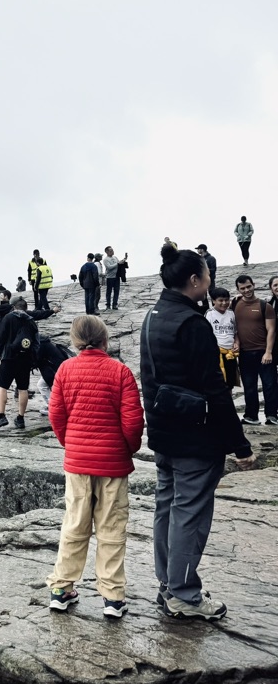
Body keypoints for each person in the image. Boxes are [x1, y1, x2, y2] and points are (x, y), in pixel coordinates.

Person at [140, 245, 255, 620]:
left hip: (163, 434)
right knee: (189, 513)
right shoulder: (193, 324)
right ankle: (184, 594)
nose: (209, 280)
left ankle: (167, 582)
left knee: (167, 507)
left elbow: (151, 380)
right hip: (195, 436)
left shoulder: (151, 316)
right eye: (206, 274)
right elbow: (214, 390)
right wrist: (239, 445)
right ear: (194, 280)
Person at [47, 315, 144, 617]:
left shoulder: (65, 369)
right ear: (105, 340)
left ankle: (61, 590)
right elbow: (133, 422)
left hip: (77, 464)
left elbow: (56, 416)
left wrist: (71, 444)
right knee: (111, 528)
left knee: (74, 523)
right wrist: (128, 449)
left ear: (75, 342)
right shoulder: (120, 372)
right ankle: (113, 598)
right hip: (113, 464)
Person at [0, 294, 58, 431]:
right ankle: (20, 418)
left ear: (13, 306)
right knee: (23, 389)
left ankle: (0, 416)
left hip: (8, 358)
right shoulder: (31, 321)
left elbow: (1, 338)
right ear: (26, 307)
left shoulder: (8, 318)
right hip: (25, 360)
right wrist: (32, 358)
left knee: (2, 387)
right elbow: (36, 342)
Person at [232, 275, 276, 425]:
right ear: (238, 289)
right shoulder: (235, 303)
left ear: (254, 285)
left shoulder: (265, 306)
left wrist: (268, 351)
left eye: (248, 286)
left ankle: (272, 415)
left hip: (263, 352)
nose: (247, 290)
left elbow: (271, 330)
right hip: (244, 353)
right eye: (242, 288)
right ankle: (251, 416)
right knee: (249, 386)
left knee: (270, 385)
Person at [205, 287, 239, 389]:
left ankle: (230, 402)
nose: (224, 303)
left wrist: (237, 343)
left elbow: (235, 333)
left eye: (226, 300)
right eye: (220, 300)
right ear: (213, 301)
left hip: (230, 354)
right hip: (217, 354)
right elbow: (207, 335)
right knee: (218, 383)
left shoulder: (231, 313)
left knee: (230, 383)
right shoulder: (209, 314)